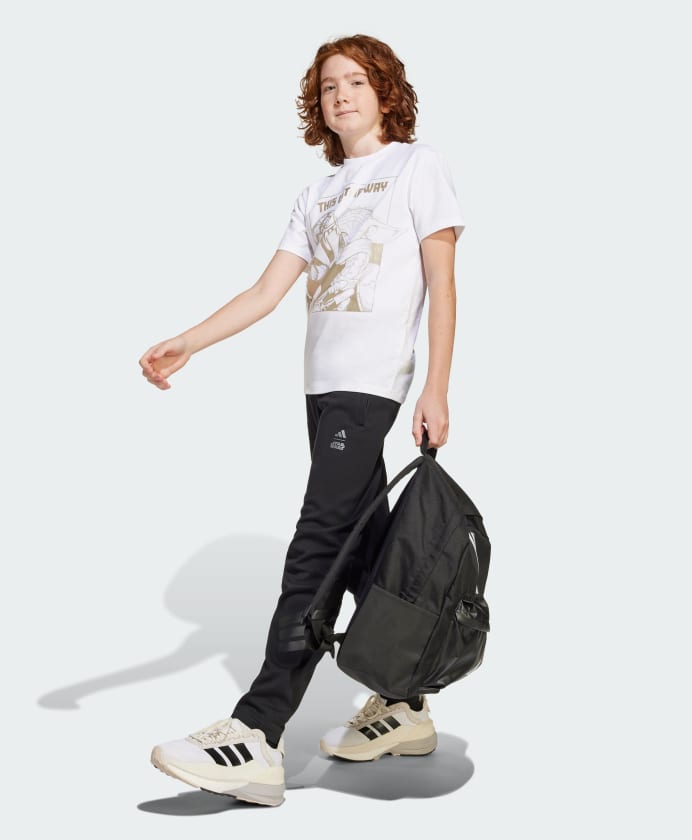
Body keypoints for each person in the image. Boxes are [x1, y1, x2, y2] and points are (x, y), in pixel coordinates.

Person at [141, 33, 465, 807]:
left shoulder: (417, 167)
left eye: (356, 81)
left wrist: (436, 387)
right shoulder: (315, 195)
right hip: (322, 396)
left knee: (317, 544)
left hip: (370, 390)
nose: (341, 95)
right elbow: (265, 292)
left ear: (385, 92)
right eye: (328, 86)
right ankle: (406, 702)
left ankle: (259, 732)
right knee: (365, 551)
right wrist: (189, 340)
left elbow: (443, 284)